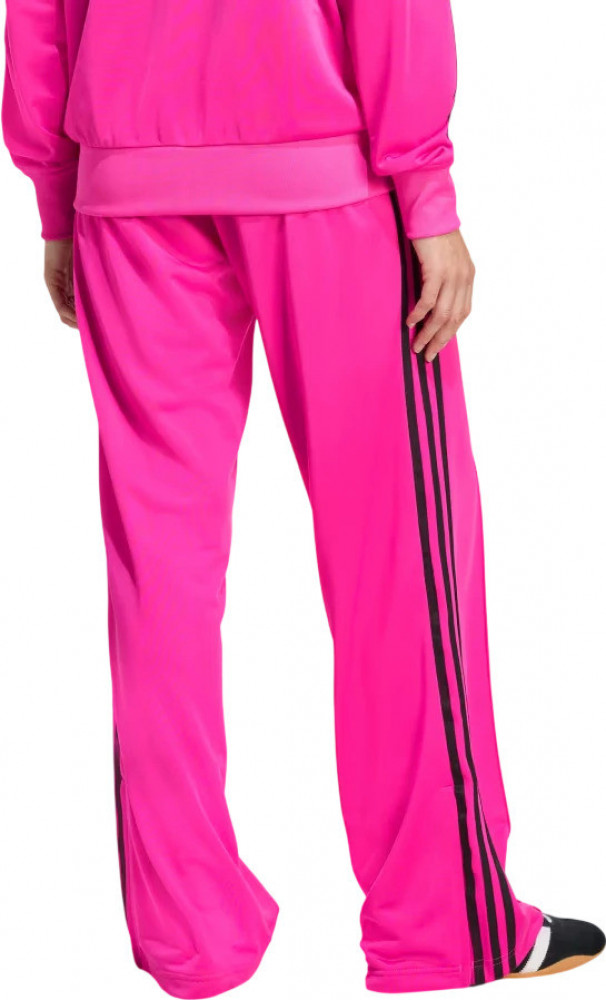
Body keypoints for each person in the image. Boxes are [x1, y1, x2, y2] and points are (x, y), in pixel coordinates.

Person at [2, 0, 604, 996]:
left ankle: (189, 934)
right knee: (401, 554)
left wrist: (58, 193)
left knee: (159, 572)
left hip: (126, 181)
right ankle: (441, 925)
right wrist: (426, 186)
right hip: (325, 171)